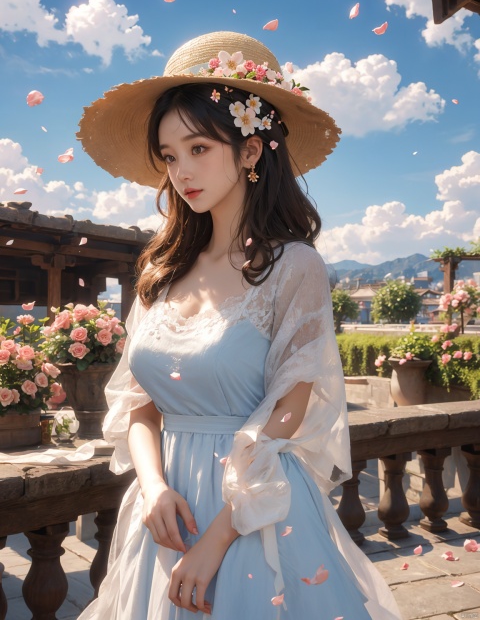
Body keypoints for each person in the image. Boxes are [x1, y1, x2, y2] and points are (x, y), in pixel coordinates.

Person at [76, 31, 402, 620]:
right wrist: (151, 487)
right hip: (166, 510)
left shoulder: (293, 267)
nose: (181, 171)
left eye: (199, 148)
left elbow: (289, 414)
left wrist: (218, 538)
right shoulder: (161, 268)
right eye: (170, 156)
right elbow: (140, 403)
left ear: (252, 151)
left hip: (253, 510)